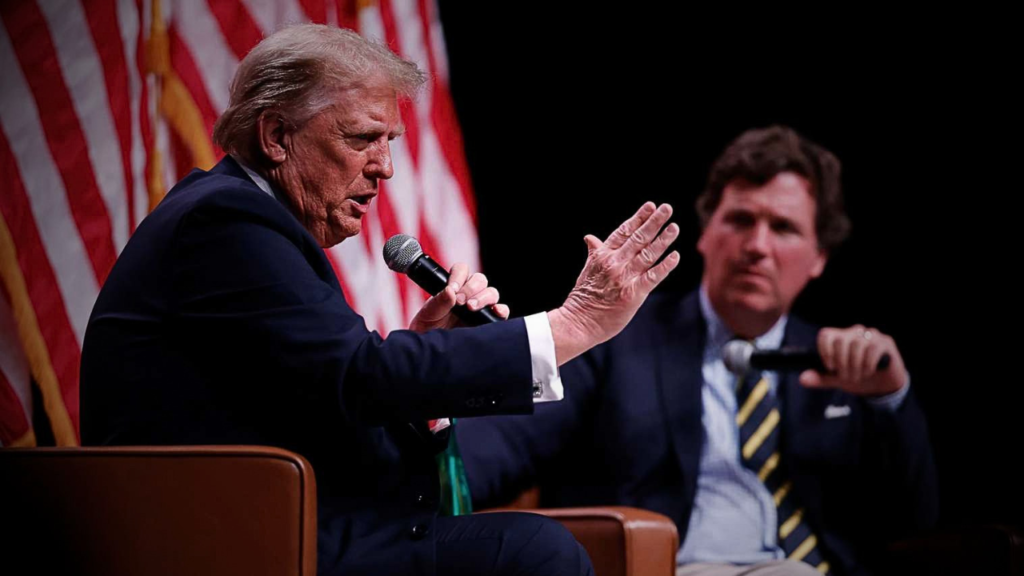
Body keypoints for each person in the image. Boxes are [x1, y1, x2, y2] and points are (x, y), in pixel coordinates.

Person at [79, 24, 681, 576]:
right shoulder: (225, 221)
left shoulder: (247, 221)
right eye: (364, 138)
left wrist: (425, 365)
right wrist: (573, 323)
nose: (386, 168)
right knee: (533, 551)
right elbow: (358, 376)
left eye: (389, 140)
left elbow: (330, 394)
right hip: (227, 545)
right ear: (277, 136)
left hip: (285, 527)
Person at [458, 125, 938, 576]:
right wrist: (424, 485)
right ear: (706, 233)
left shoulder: (844, 363)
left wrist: (888, 396)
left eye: (784, 228)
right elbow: (498, 449)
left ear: (819, 258)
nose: (757, 246)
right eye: (741, 220)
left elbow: (914, 521)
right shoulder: (619, 338)